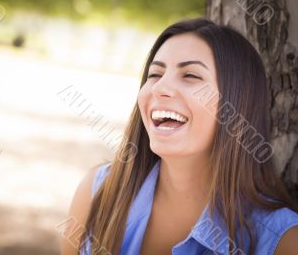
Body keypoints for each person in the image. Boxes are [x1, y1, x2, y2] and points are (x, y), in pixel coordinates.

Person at [60, 18, 298, 255]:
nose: (160, 88)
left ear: (237, 103)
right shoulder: (96, 190)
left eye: (191, 76)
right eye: (155, 74)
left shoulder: (283, 242)